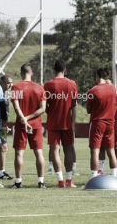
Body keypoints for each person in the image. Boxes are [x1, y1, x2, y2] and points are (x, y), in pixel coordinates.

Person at [11, 64, 46, 189]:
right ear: (32, 73)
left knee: (19, 153)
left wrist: (24, 120)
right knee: (39, 153)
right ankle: (41, 182)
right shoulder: (39, 88)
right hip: (36, 124)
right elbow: (43, 109)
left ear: (21, 73)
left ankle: (18, 182)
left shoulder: (16, 87)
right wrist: (29, 119)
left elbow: (16, 106)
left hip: (21, 125)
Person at [44, 60, 78, 188]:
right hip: (67, 122)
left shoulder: (48, 85)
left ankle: (60, 181)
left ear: (54, 69)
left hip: (53, 122)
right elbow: (74, 103)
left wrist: (50, 112)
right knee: (68, 149)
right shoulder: (72, 84)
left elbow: (43, 105)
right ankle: (69, 181)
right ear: (65, 70)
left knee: (54, 150)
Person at [86, 68, 117, 178]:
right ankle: (115, 177)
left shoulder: (92, 91)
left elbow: (88, 110)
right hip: (110, 123)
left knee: (95, 151)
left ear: (97, 76)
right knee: (111, 150)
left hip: (97, 122)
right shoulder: (113, 89)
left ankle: (93, 177)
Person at [97, 78, 117, 176]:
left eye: (109, 84)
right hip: (102, 124)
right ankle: (100, 169)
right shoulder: (101, 94)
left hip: (113, 126)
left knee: (115, 147)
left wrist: (116, 118)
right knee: (101, 147)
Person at [0, 75, 14, 180]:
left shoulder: (4, 94)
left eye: (11, 82)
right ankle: (1, 172)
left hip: (2, 125)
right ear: (2, 82)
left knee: (0, 148)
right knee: (3, 147)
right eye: (8, 82)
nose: (10, 85)